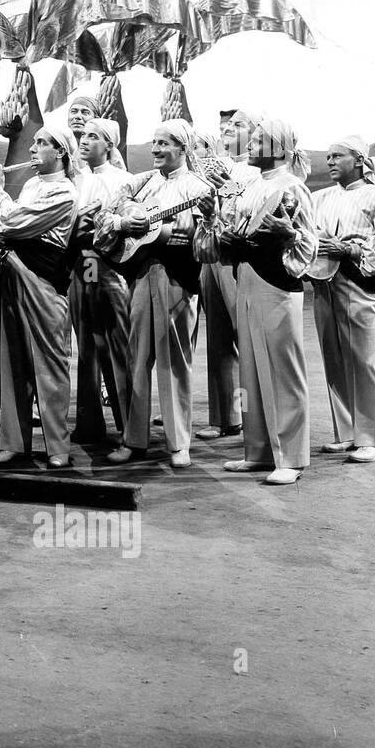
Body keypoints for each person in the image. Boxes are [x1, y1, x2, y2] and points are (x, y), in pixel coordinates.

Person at [195, 117, 316, 485]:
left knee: (282, 368)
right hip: (245, 277)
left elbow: (307, 244)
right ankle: (258, 450)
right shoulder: (251, 188)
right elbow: (232, 238)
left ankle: (291, 457)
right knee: (249, 368)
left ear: (279, 148)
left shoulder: (292, 186)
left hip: (275, 283)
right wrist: (213, 220)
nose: (252, 144)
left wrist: (289, 234)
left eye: (261, 139)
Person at [98, 119, 212, 469]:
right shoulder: (141, 183)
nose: (156, 149)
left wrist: (189, 229)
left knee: (174, 360)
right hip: (142, 275)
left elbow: (207, 238)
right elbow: (106, 217)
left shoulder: (199, 187)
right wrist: (125, 221)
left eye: (164, 143)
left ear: (183, 148)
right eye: (154, 142)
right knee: (137, 357)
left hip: (177, 280)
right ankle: (134, 439)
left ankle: (179, 443)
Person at [0, 126, 79, 469]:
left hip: (43, 281)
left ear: (60, 153)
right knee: (14, 360)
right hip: (15, 274)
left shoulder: (65, 192)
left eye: (42, 143)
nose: (33, 148)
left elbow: (11, 225)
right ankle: (14, 443)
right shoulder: (32, 184)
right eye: (34, 142)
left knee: (50, 364)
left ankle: (58, 448)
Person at [310, 135, 375, 463]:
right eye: (328, 156)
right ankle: (346, 433)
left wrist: (348, 248)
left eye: (337, 156)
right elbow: (310, 235)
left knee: (364, 360)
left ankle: (372, 439)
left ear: (358, 160)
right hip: (324, 283)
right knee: (333, 357)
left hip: (359, 282)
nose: (330, 161)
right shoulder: (321, 197)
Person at [193, 111, 262, 440]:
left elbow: (252, 208)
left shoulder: (257, 169)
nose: (228, 130)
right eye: (226, 126)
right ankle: (225, 417)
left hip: (237, 259)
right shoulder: (215, 165)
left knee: (242, 337)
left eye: (238, 126)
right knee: (217, 338)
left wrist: (226, 185)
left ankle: (250, 415)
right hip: (211, 255)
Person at [69, 118, 132, 442]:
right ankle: (89, 424)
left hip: (110, 268)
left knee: (116, 344)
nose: (85, 140)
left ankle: (129, 427)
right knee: (86, 347)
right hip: (79, 268)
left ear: (109, 145)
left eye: (94, 136)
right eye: (82, 135)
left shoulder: (124, 181)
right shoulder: (74, 181)